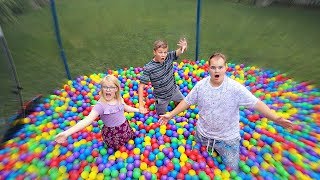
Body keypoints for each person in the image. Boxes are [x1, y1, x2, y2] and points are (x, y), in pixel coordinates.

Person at [159, 52, 294, 172]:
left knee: (232, 170)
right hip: (203, 135)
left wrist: (276, 118)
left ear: (225, 68)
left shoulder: (235, 88)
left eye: (220, 67)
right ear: (208, 68)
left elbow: (256, 103)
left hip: (227, 140)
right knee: (196, 163)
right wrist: (170, 114)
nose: (216, 70)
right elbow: (187, 101)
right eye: (213, 67)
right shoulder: (201, 86)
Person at [55, 75, 146, 150]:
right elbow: (87, 120)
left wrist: (138, 110)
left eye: (111, 87)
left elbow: (126, 108)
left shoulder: (119, 99)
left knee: (130, 139)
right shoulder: (100, 106)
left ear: (116, 89)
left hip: (125, 128)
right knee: (118, 150)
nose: (108, 90)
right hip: (113, 134)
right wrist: (67, 133)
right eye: (105, 87)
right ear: (102, 89)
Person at [138, 38, 188, 115]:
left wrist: (183, 47)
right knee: (161, 116)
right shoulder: (149, 67)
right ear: (154, 52)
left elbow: (180, 51)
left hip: (173, 91)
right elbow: (141, 86)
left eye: (165, 52)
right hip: (161, 98)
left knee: (185, 106)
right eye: (160, 52)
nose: (163, 55)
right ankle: (161, 105)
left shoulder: (169, 56)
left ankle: (175, 101)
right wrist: (141, 106)